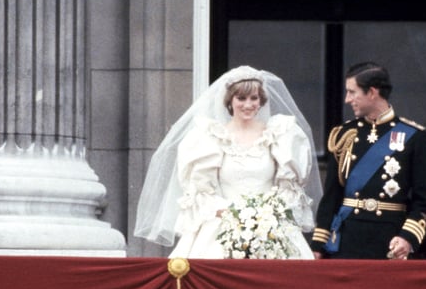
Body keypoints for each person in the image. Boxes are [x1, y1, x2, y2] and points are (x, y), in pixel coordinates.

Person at [133, 66, 322, 259]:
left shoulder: (280, 134)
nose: (248, 105)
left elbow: (287, 188)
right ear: (230, 101)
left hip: (270, 226)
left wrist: (265, 217)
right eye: (241, 98)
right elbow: (202, 191)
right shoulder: (210, 137)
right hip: (222, 223)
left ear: (261, 100)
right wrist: (234, 216)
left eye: (254, 98)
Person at [310, 62, 426, 260]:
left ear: (372, 92)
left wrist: (407, 237)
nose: (347, 99)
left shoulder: (413, 136)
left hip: (389, 241)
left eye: (352, 92)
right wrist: (318, 245)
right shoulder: (345, 134)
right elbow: (331, 197)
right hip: (347, 242)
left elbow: (424, 201)